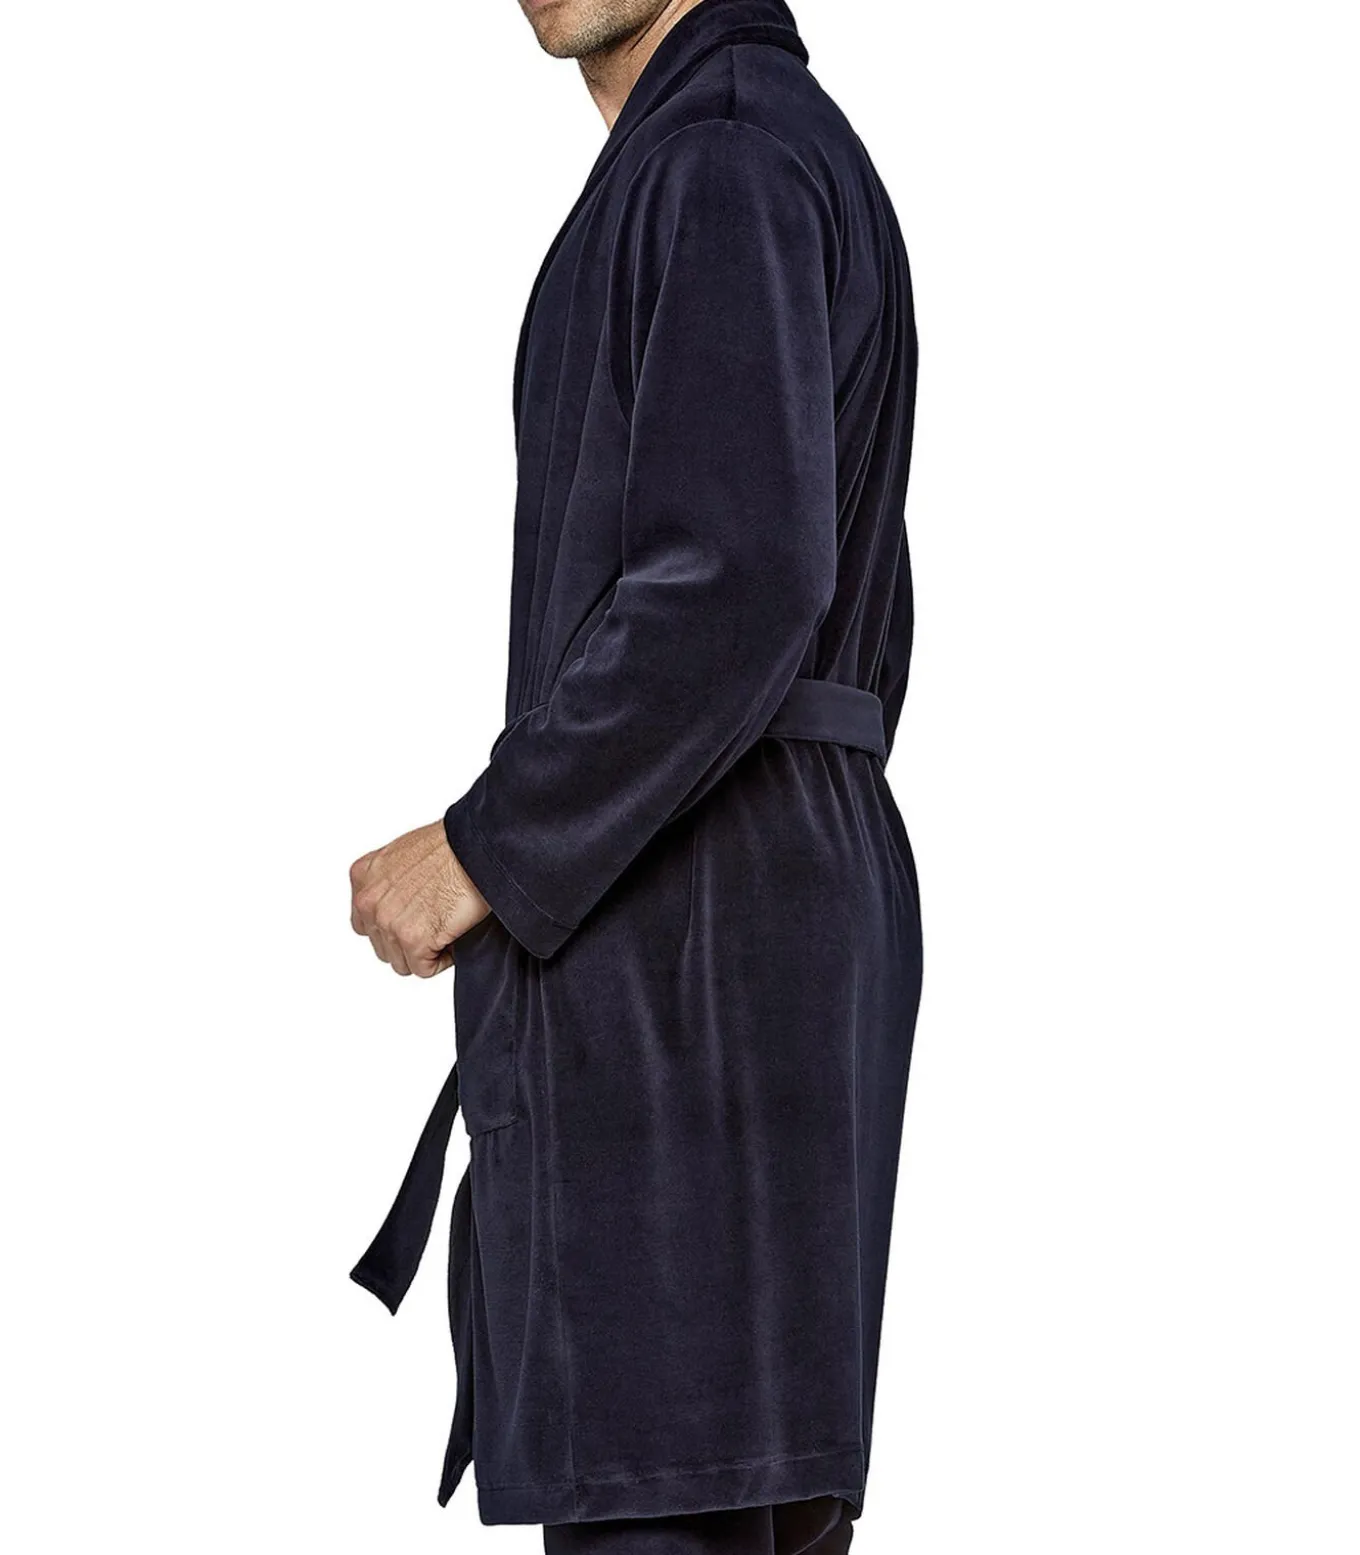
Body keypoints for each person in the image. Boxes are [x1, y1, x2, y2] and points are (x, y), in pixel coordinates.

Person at [347, 3, 922, 1552]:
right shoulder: (739, 148)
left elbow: (734, 580)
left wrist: (488, 845)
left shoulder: (723, 156)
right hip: (745, 905)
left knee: (673, 1497)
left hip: (698, 926)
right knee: (732, 1494)